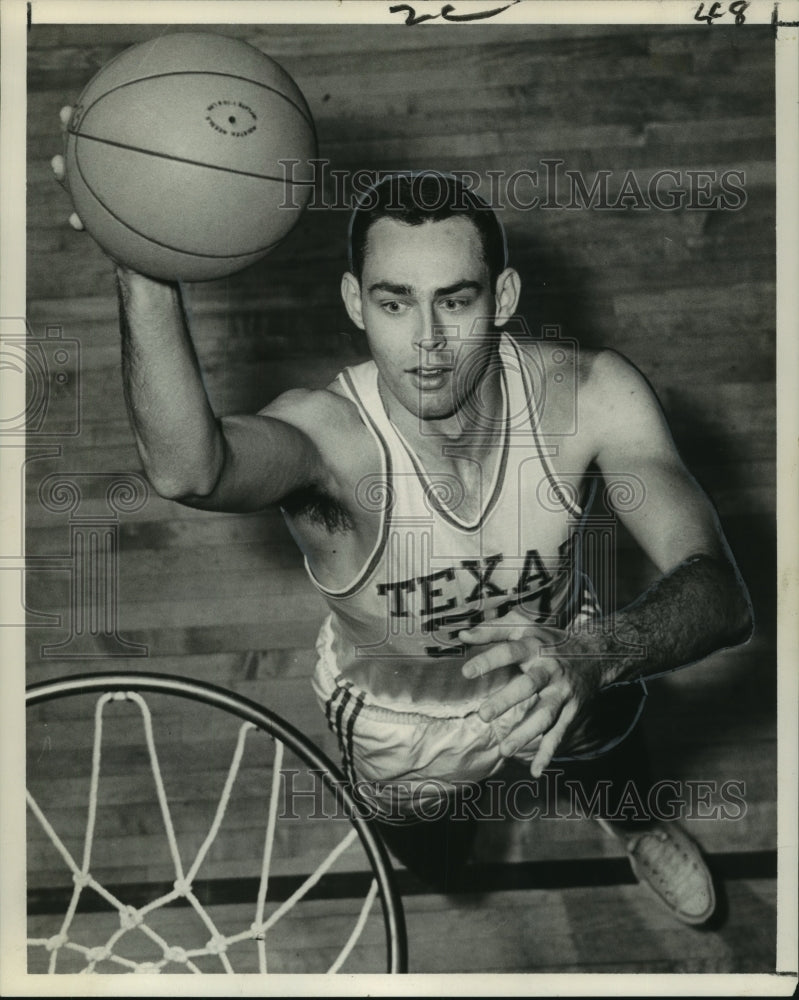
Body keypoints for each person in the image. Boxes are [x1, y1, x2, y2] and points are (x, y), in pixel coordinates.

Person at [52, 136, 752, 925]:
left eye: (454, 300)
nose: (425, 342)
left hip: (570, 657)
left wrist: (598, 653)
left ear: (504, 295)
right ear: (355, 302)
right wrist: (144, 267)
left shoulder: (591, 395)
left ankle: (634, 825)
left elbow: (721, 593)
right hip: (404, 722)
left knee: (613, 756)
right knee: (440, 855)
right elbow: (190, 471)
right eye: (394, 302)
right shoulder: (328, 442)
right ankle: (460, 845)